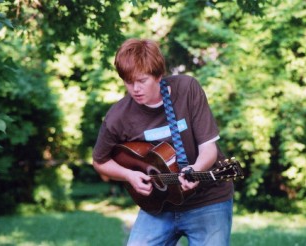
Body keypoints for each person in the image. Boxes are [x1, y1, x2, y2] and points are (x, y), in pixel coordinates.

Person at [92, 38, 233, 246]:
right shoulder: (118, 116)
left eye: (142, 81)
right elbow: (100, 161)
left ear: (158, 75)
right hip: (158, 206)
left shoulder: (187, 90)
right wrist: (130, 175)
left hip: (208, 200)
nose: (135, 89)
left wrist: (196, 169)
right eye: (128, 82)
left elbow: (208, 148)